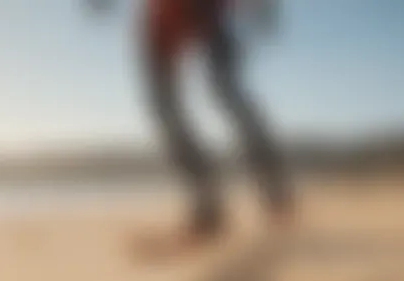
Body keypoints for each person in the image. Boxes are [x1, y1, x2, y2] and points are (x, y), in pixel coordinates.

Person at [88, 0, 293, 256]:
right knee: (165, 109)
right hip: (161, 27)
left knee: (227, 93)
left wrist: (263, 9)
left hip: (206, 14)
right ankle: (208, 207)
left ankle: (276, 193)